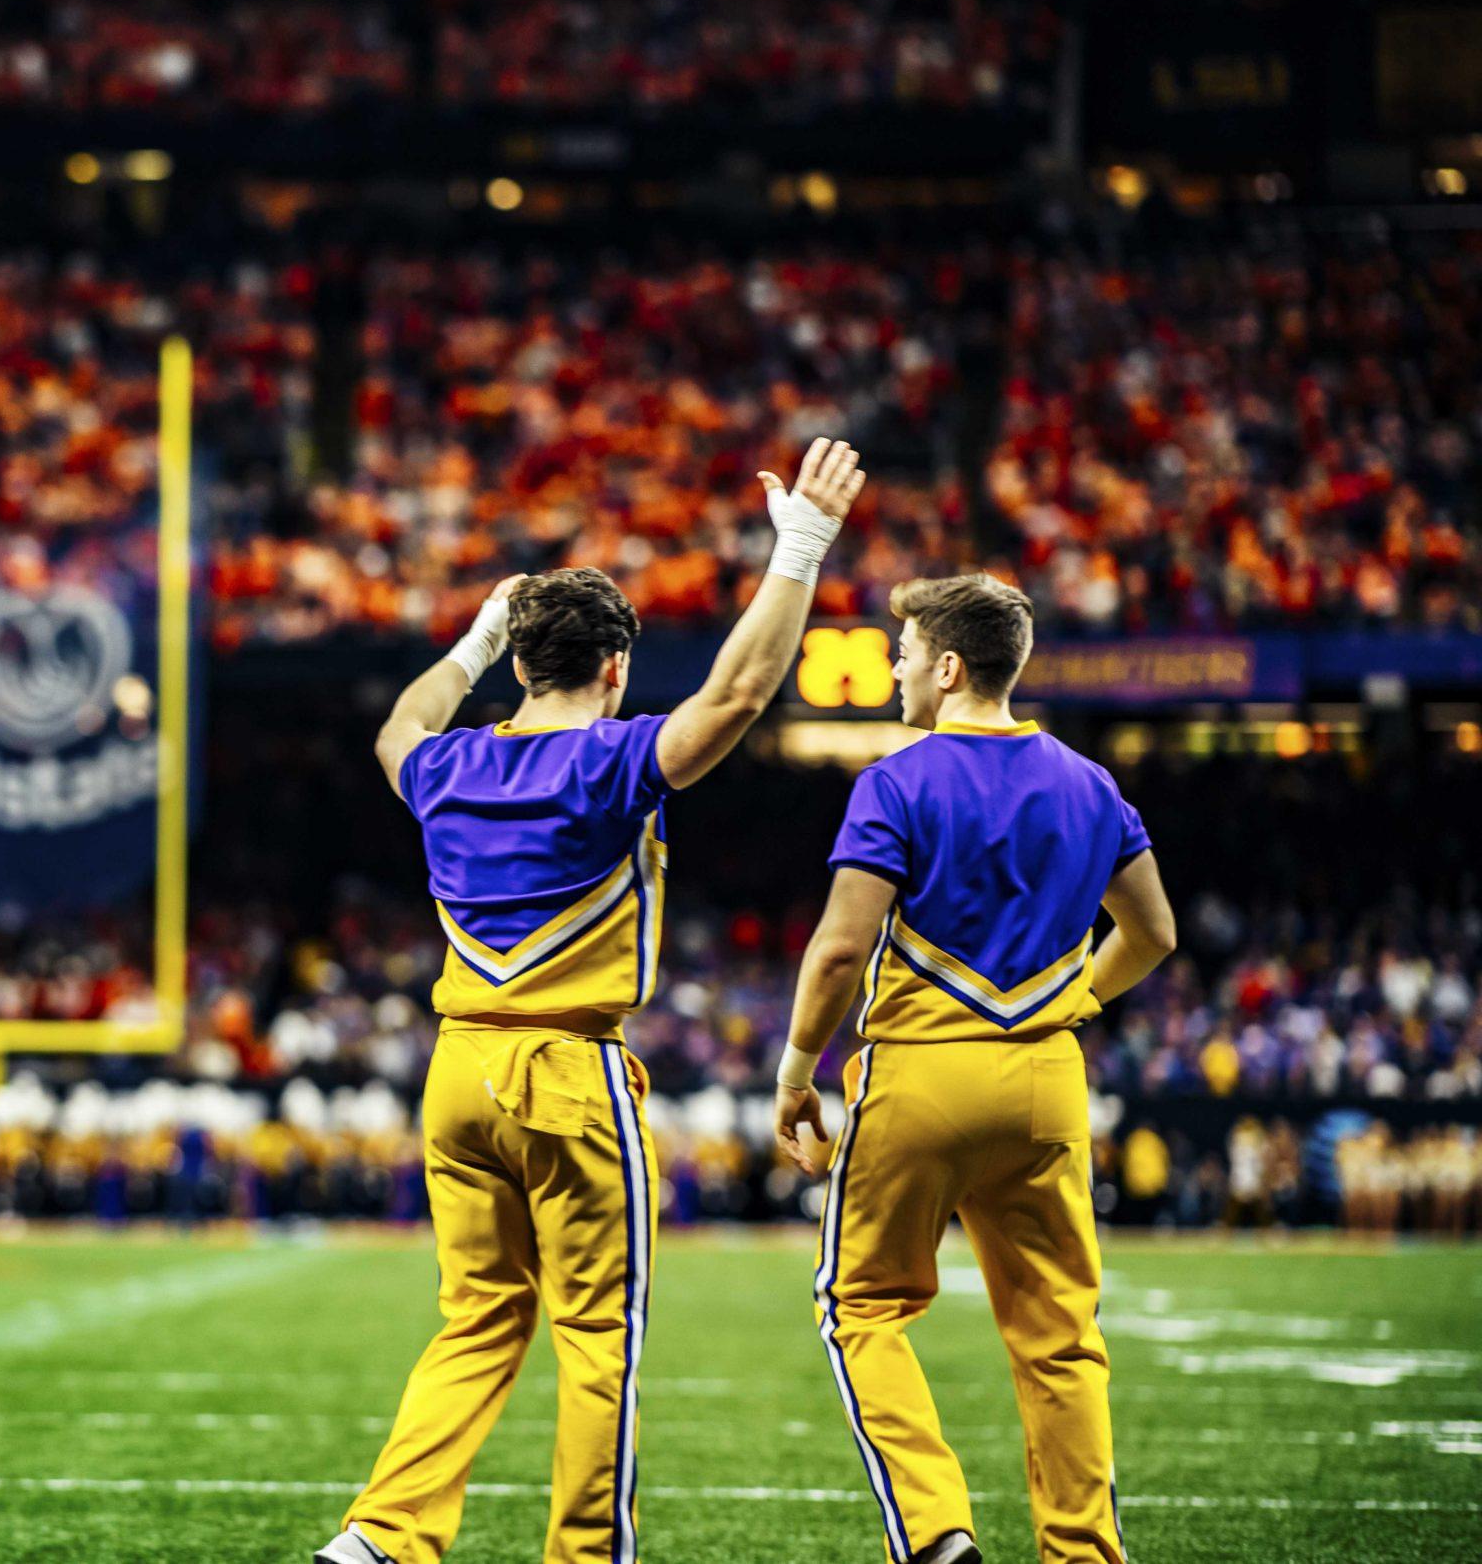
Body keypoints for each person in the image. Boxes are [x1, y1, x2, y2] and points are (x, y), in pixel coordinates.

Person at [318, 440, 866, 1564]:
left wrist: (473, 639)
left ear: (518, 668)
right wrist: (800, 547)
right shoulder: (609, 765)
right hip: (567, 1073)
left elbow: (395, 730)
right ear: (615, 669)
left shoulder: (446, 766)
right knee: (597, 1338)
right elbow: (742, 690)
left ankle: (381, 1538)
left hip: (455, 1071)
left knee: (475, 1321)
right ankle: (583, 1557)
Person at [771, 574, 1178, 1564]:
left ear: (948, 667)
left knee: (858, 1308)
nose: (897, 666)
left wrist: (793, 1072)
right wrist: (1073, 1001)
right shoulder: (1090, 783)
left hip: (917, 1078)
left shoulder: (896, 780)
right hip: (1045, 1082)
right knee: (1060, 1337)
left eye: (905, 651)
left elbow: (835, 951)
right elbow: (1153, 934)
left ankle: (933, 1528)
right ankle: (1082, 1552)